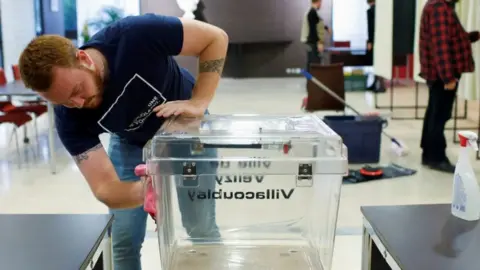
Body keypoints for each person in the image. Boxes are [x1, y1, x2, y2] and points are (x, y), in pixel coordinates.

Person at [18, 14, 228, 270]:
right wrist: (145, 192)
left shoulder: (134, 35)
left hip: (187, 130)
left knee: (200, 228)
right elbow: (105, 188)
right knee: (123, 239)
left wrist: (199, 101)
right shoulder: (69, 117)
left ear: (83, 59)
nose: (78, 104)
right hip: (131, 142)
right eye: (65, 102)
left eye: (76, 91)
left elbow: (215, 38)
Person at [419, 0, 479, 173]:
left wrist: (471, 36)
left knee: (434, 112)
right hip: (442, 73)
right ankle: (436, 157)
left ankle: (428, 153)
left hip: (438, 72)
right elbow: (441, 46)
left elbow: (450, 38)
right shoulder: (440, 8)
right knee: (439, 115)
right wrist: (448, 77)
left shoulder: (438, 6)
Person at [301, 0, 331, 72]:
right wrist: (320, 43)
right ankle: (312, 82)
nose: (321, 5)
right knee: (314, 66)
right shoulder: (312, 12)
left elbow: (317, 23)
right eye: (321, 2)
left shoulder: (312, 12)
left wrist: (326, 28)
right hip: (313, 43)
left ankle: (311, 82)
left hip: (312, 43)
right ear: (318, 2)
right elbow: (313, 30)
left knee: (312, 64)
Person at [366, 0, 385, 92]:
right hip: (382, 41)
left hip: (374, 41)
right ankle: (378, 83)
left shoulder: (371, 11)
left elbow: (371, 27)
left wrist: (370, 41)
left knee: (376, 63)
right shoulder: (381, 11)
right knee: (379, 62)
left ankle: (379, 84)